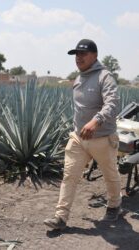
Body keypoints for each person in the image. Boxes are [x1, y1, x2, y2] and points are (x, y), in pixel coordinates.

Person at [44, 39, 122, 230]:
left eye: (83, 54)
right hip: (79, 138)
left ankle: (114, 205)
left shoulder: (105, 77)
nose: (78, 58)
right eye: (76, 54)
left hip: (102, 138)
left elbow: (113, 104)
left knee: (110, 175)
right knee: (69, 176)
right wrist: (78, 128)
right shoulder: (78, 78)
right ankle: (60, 217)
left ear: (94, 56)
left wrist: (95, 121)